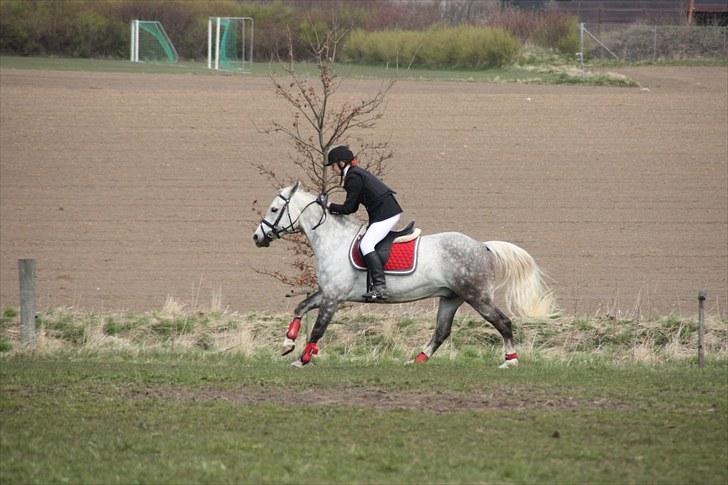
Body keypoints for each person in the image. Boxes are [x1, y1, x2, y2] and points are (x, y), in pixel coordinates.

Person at [324, 145, 403, 301]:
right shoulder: (354, 174)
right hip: (384, 212)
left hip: (387, 214)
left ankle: (380, 287)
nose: (332, 170)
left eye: (333, 165)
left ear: (341, 163)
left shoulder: (353, 178)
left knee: (366, 245)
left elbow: (348, 208)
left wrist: (328, 206)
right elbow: (352, 207)